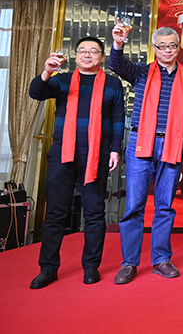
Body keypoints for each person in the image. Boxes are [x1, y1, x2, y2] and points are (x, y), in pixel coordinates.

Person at [28, 37, 125, 289]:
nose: (87, 55)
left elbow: (118, 119)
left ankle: (91, 266)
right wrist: (47, 72)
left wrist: (115, 150)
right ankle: (48, 268)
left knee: (94, 212)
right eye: (83, 50)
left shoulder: (112, 83)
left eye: (93, 51)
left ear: (102, 57)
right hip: (62, 153)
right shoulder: (61, 80)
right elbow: (36, 93)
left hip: (96, 154)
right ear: (75, 55)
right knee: (55, 212)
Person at [110, 23, 183, 285]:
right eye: (162, 46)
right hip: (141, 143)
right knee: (134, 206)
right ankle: (129, 263)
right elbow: (117, 65)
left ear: (178, 47)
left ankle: (161, 259)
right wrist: (118, 44)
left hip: (172, 144)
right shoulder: (141, 72)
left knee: (165, 206)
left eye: (172, 45)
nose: (168, 50)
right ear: (154, 48)